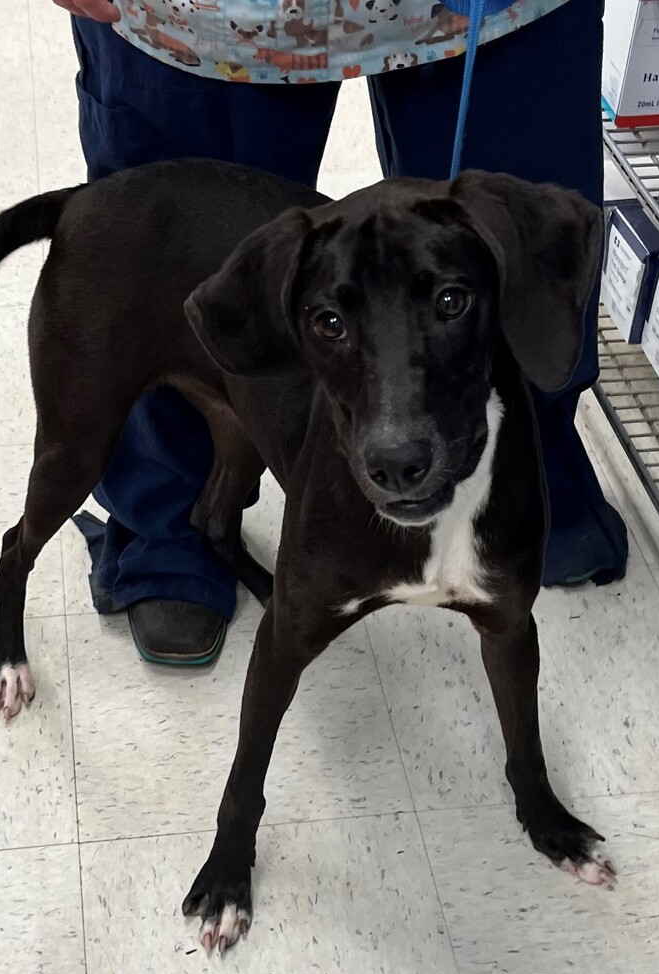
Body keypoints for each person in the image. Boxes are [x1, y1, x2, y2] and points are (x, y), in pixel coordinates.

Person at [58, 0, 628, 666]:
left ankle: (531, 482)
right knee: (182, 251)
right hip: (206, 11)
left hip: (495, 11)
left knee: (510, 253)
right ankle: (170, 520)